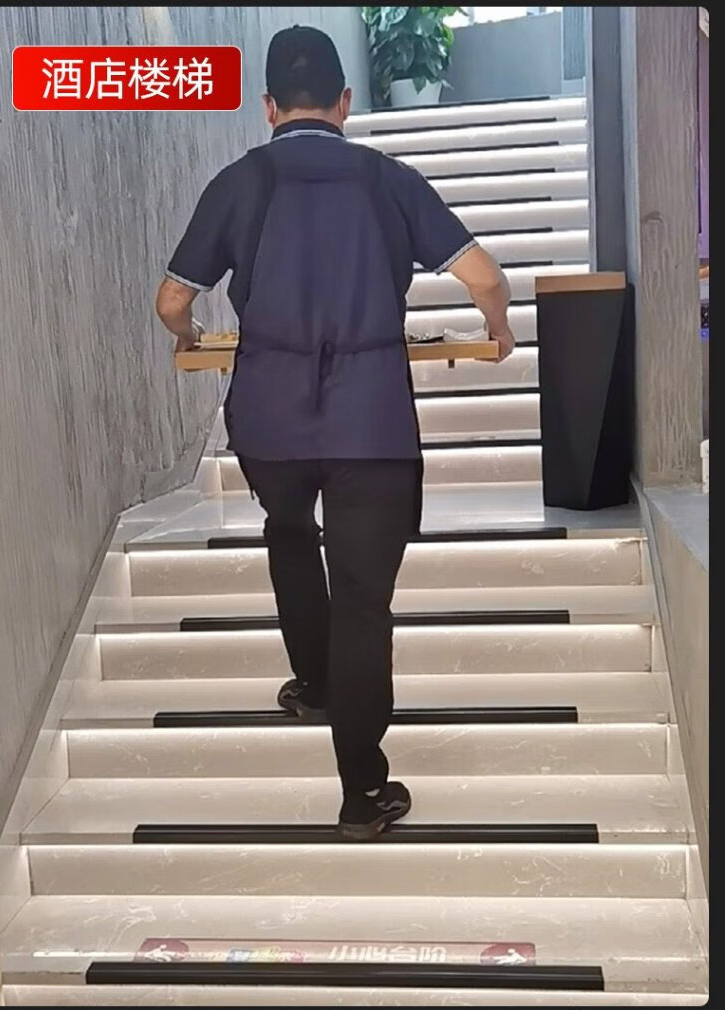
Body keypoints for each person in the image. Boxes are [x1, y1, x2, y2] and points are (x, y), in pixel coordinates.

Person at [156, 25, 514, 841]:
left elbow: (172, 301)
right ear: (346, 103)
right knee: (360, 598)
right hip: (370, 424)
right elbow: (485, 277)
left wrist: (188, 335)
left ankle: (315, 686)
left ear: (268, 107)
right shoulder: (388, 179)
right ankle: (362, 793)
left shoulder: (240, 182)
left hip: (271, 421)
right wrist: (498, 329)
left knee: (288, 531)